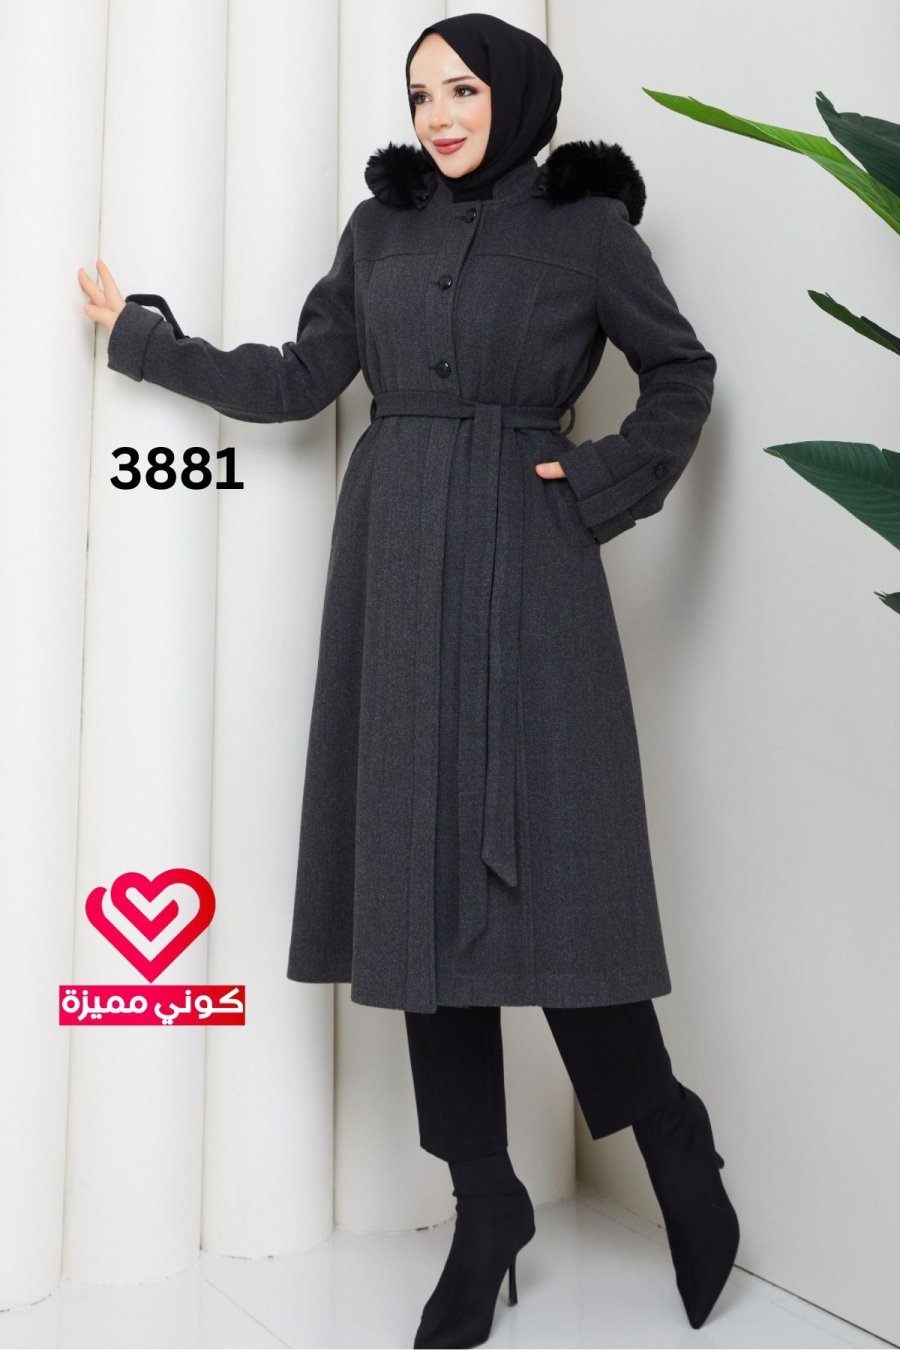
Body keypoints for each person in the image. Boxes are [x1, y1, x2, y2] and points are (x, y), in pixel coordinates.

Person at [79, 11, 739, 1347]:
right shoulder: (378, 231)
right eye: (421, 92)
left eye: (463, 89)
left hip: (533, 573)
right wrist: (147, 339)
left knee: (565, 881)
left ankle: (671, 1137)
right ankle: (485, 1203)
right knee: (420, 893)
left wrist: (593, 481)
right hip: (393, 578)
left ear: (516, 94)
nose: (438, 114)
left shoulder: (588, 229)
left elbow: (681, 374)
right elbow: (299, 377)